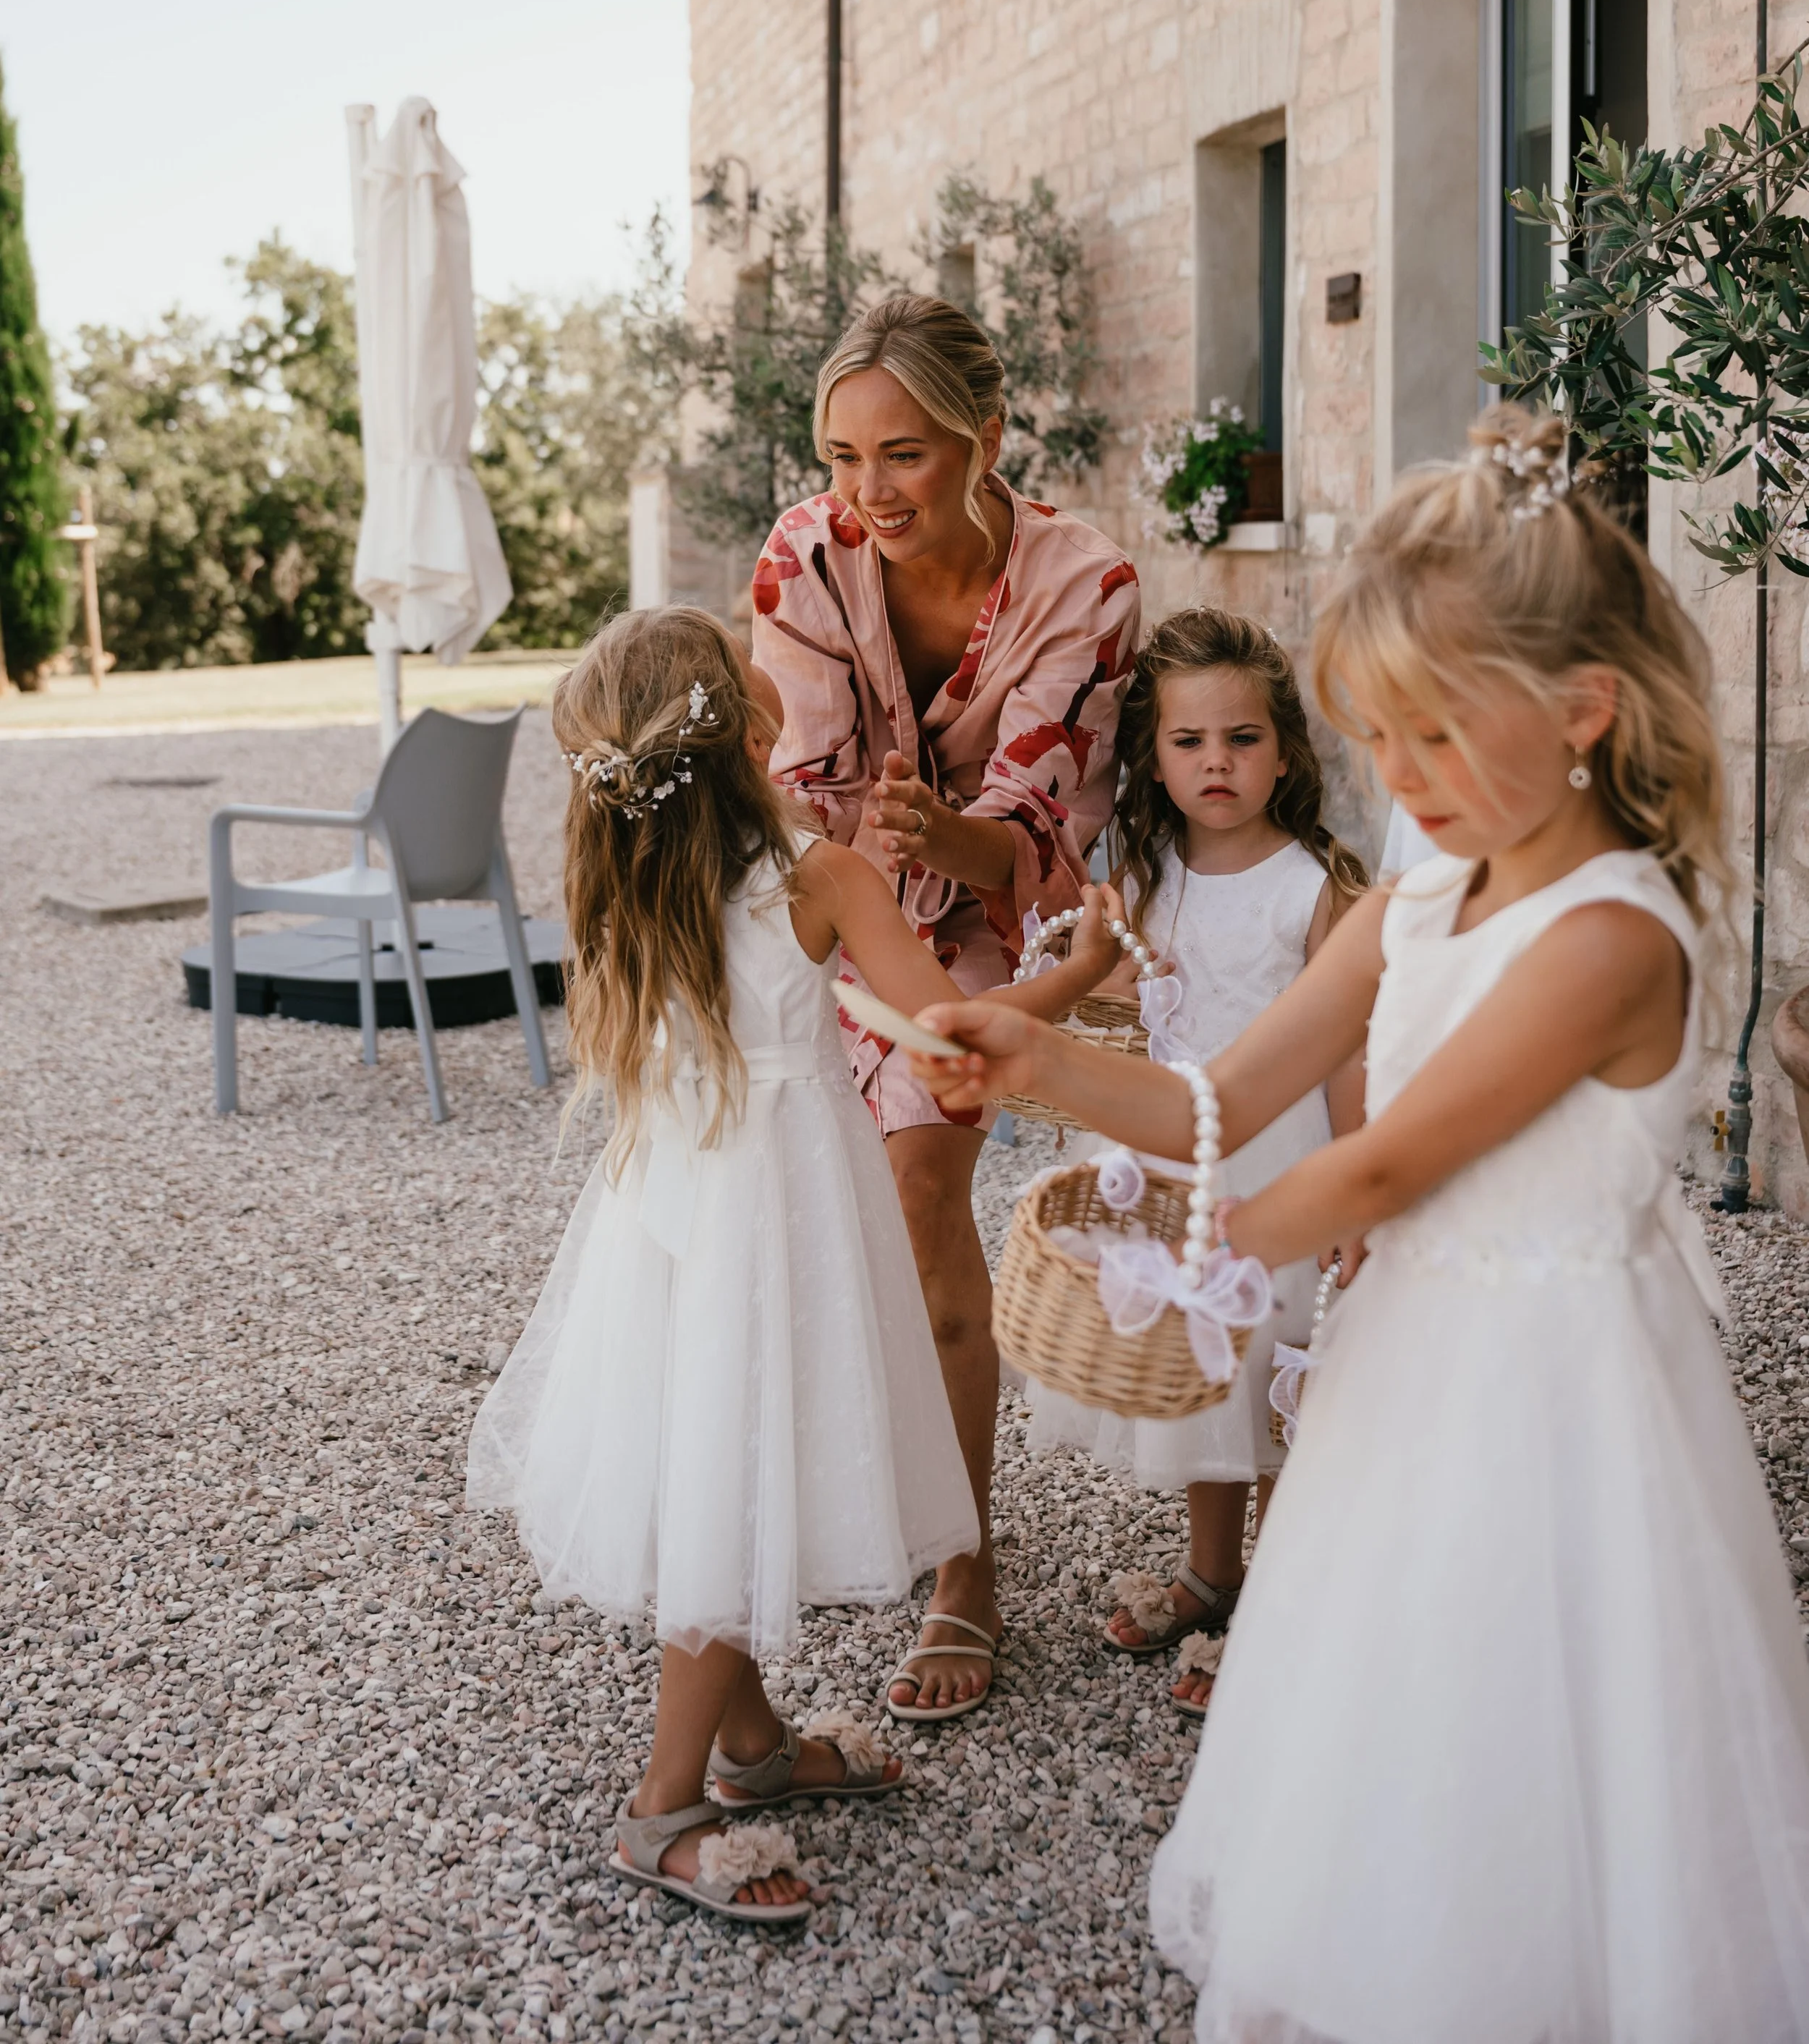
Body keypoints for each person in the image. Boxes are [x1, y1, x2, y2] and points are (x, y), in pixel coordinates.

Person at [913, 409, 1809, 2040]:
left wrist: (1193, 1251)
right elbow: (1226, 1089)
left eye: (1430, 739)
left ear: (1582, 710)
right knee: (1396, 1683)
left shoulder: (1612, 936)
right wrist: (1034, 1053)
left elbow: (1386, 1167)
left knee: (1542, 1690)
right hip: (1406, 1353)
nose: (1390, 782)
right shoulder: (1410, 900)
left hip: (1559, 1381)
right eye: (1374, 740)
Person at [466, 606, 1127, 1921]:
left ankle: (754, 1752)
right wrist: (1079, 975)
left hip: (670, 1209)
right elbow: (944, 1035)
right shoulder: (820, 875)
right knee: (735, 1468)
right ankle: (663, 1811)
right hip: (778, 1211)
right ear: (748, 721)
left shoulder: (629, 866)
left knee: (714, 1457)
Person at [752, 292, 1139, 1718]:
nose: (864, 492)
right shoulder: (800, 554)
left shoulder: (1083, 585)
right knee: (789, 1203)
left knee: (918, 1193)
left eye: (901, 455)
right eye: (843, 457)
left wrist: (944, 835)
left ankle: (962, 1561)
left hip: (980, 914)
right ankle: (836, 1500)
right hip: (823, 902)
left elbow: (1033, 832)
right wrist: (863, 854)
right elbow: (796, 791)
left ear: (984, 437)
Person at [1024, 608, 1367, 1714]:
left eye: (1244, 738)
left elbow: (1348, 1048)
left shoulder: (1315, 887)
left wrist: (1358, 1182)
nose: (1217, 761)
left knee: (1272, 1381)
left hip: (1281, 1166)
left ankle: (1278, 1595)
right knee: (1199, 1374)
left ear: (1286, 749)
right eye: (1189, 742)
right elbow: (1135, 1010)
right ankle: (1209, 1573)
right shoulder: (1146, 874)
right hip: (1175, 1167)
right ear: (1154, 756)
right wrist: (1111, 964)